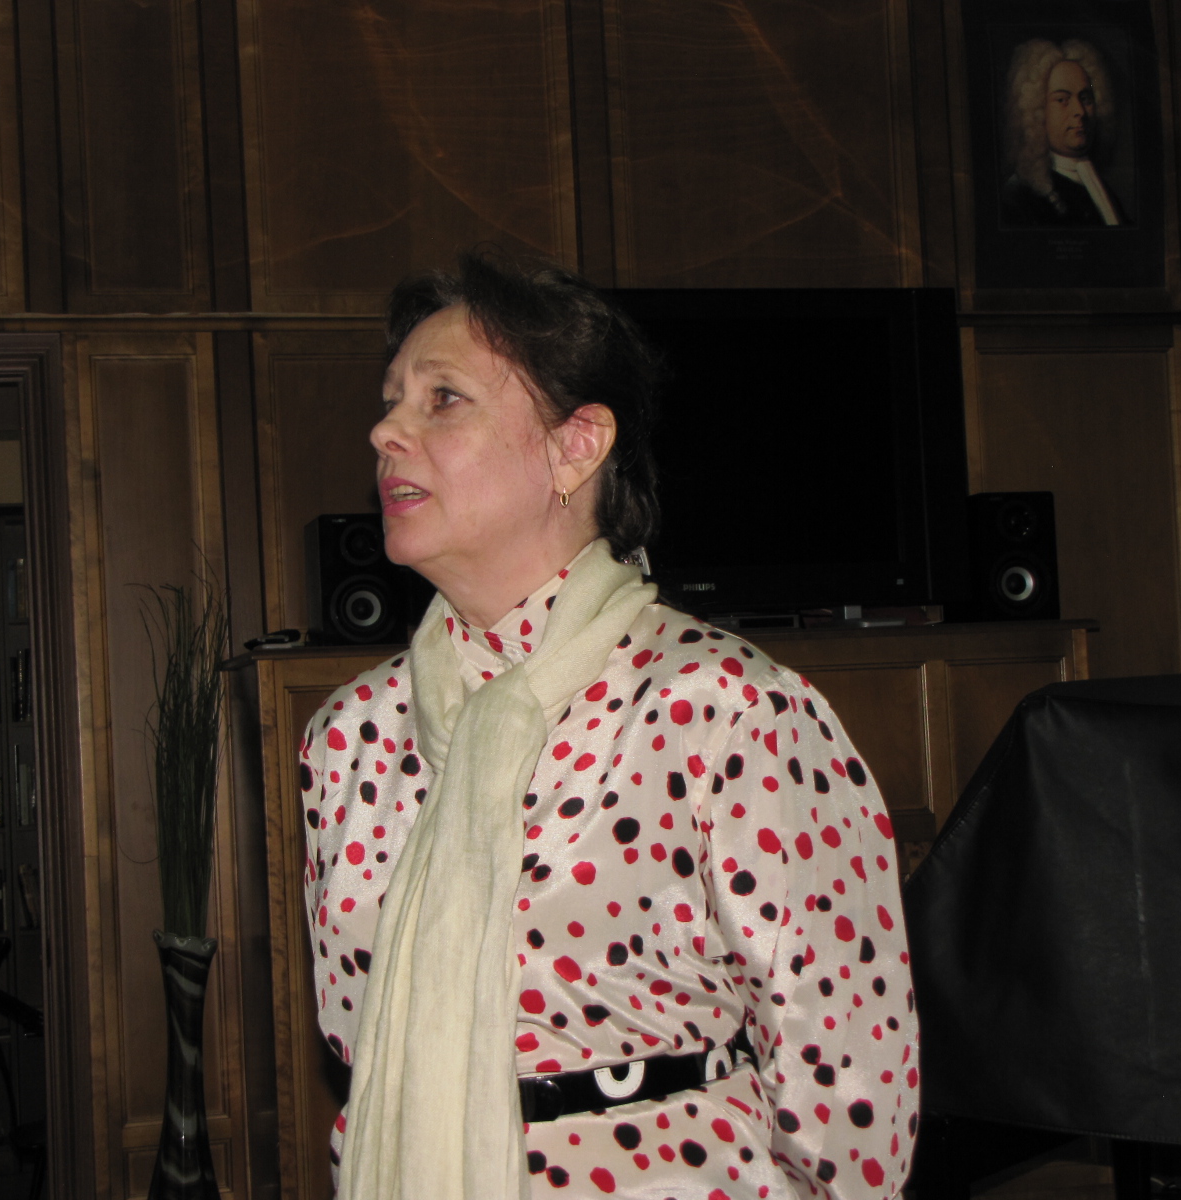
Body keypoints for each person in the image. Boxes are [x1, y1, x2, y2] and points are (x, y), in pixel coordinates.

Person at [298, 250, 918, 1199]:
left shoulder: (725, 710)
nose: (385, 430)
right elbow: (353, 1042)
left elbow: (847, 1076)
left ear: (575, 446)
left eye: (442, 399)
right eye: (390, 402)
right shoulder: (349, 737)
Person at [999, 37, 1128, 227]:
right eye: (1062, 100)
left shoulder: (1098, 185)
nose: (1080, 111)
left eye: (1085, 98)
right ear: (1037, 111)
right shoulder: (1018, 196)